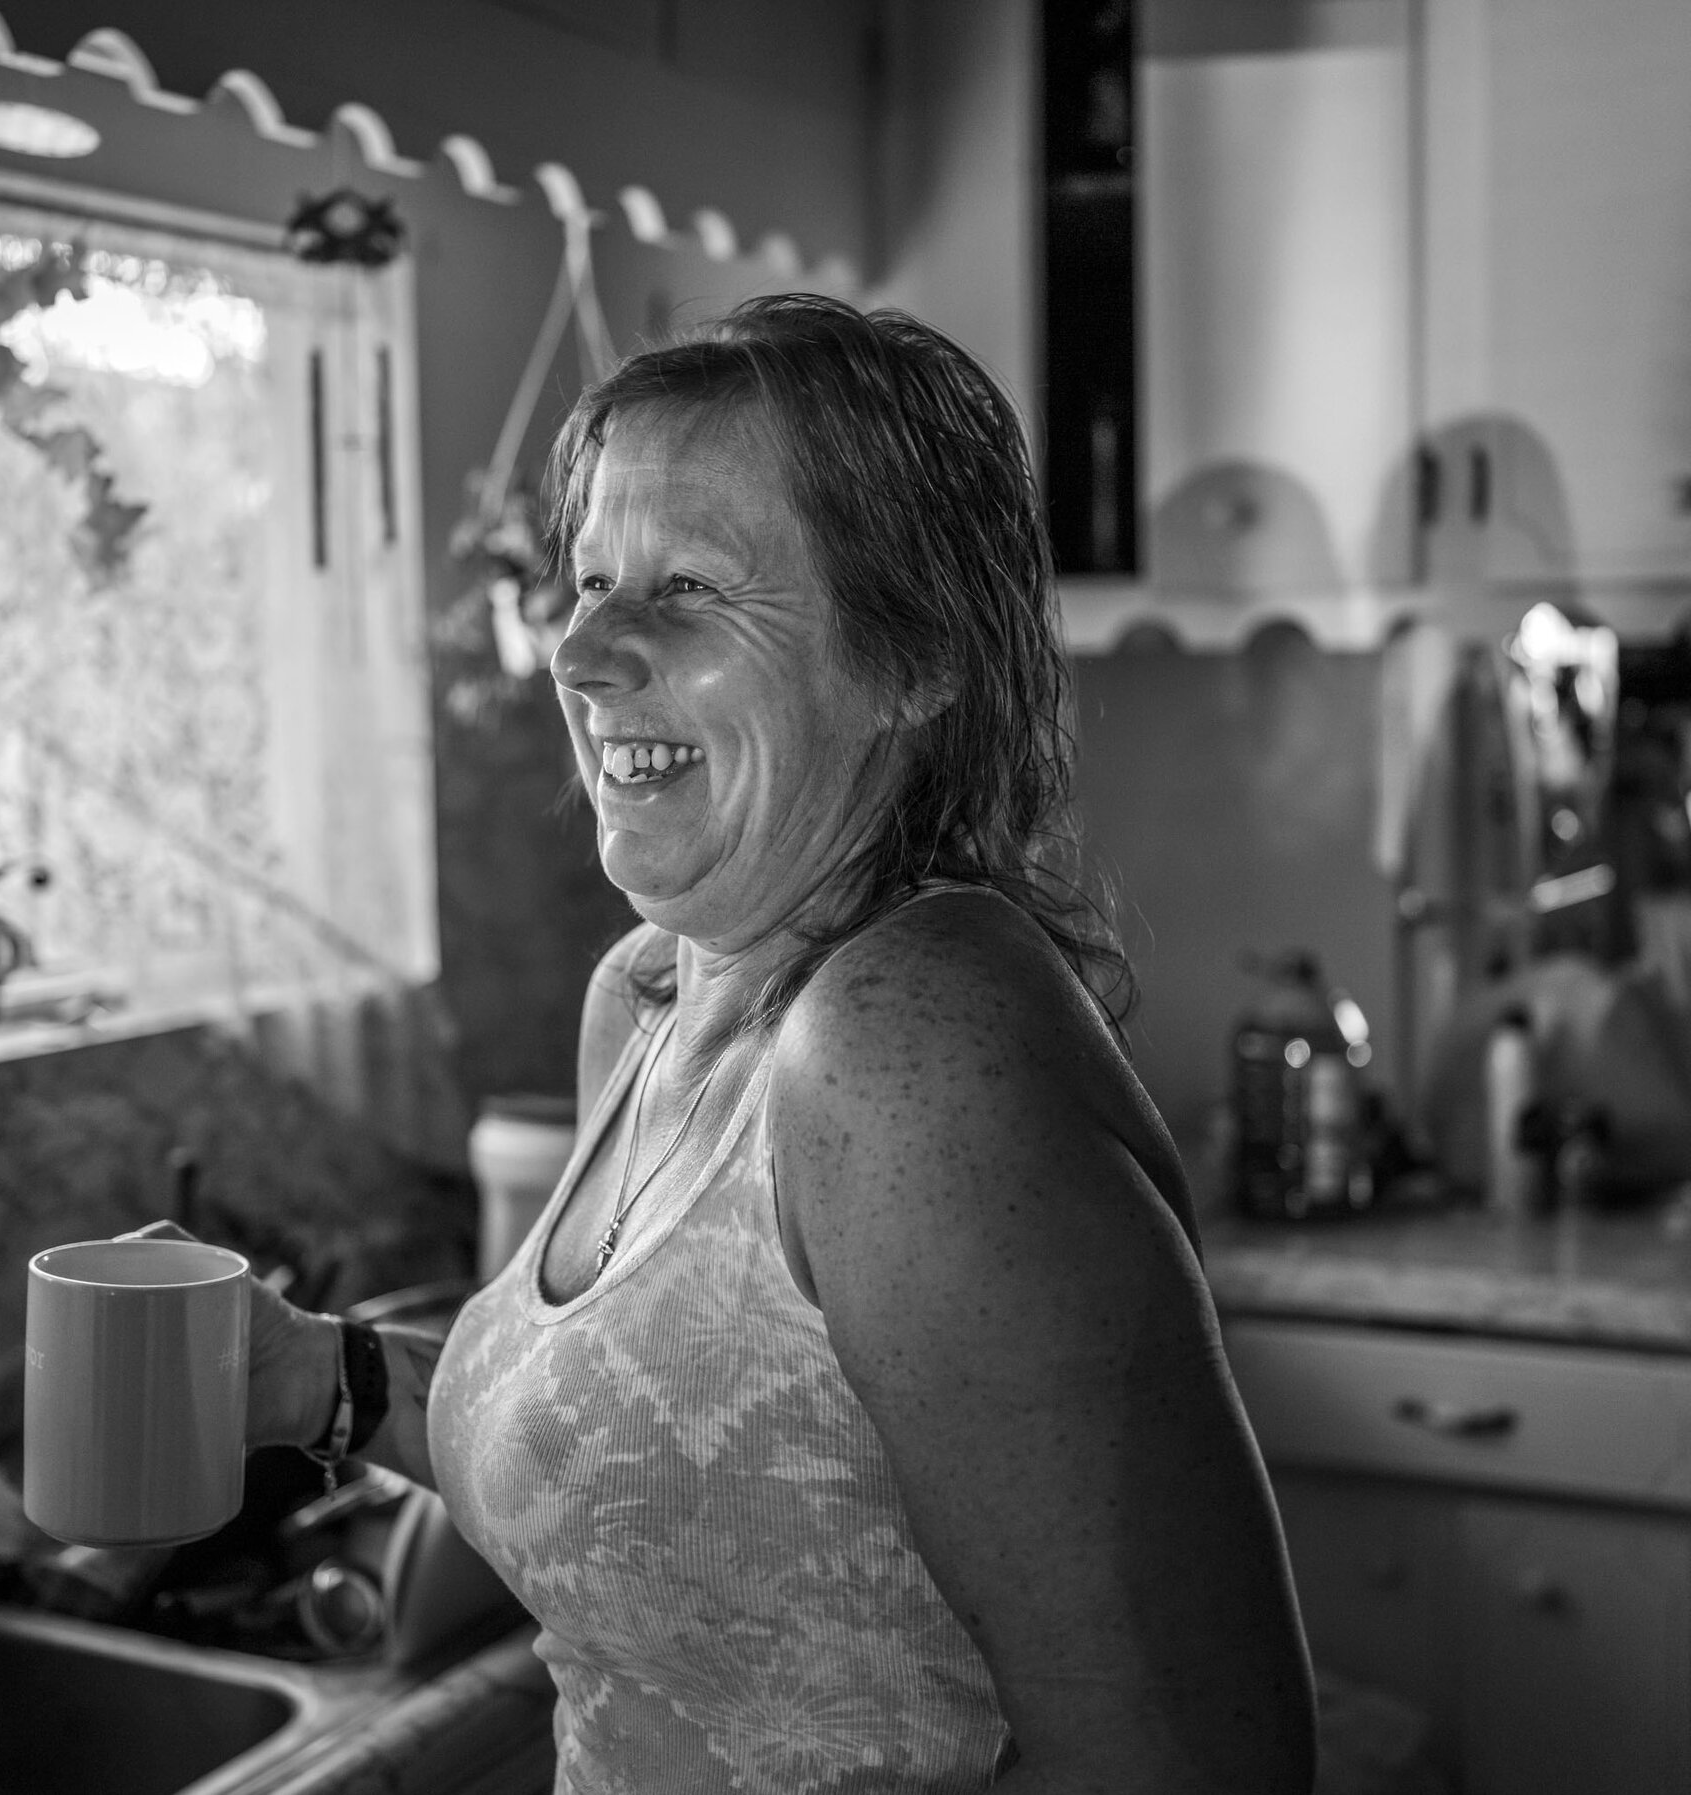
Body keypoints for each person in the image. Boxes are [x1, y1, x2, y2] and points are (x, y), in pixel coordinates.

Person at [232, 294, 1314, 1793]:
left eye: (689, 591)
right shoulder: (656, 995)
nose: (586, 653)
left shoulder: (904, 1055)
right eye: (592, 579)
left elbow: (1197, 1778)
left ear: (911, 660)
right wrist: (319, 1383)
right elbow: (670, 1467)